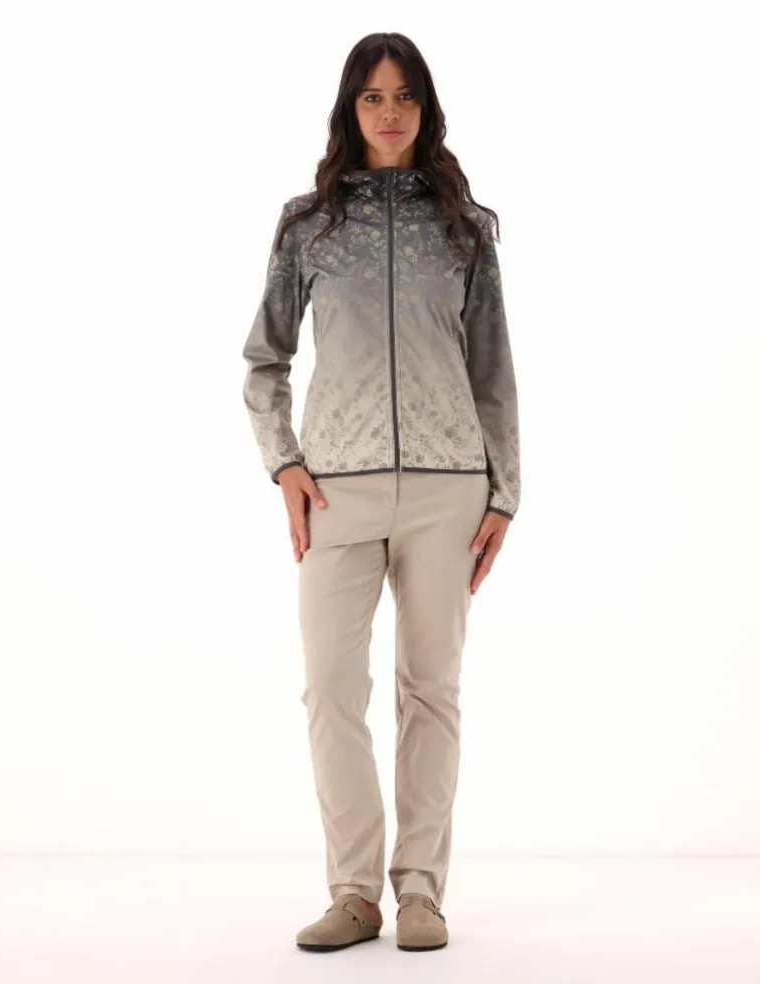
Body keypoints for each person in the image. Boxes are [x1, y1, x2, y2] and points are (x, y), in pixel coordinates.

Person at [241, 31, 520, 953]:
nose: (390, 112)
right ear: (350, 108)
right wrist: (285, 462)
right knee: (330, 689)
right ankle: (354, 893)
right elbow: (265, 360)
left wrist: (503, 494)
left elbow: (493, 373)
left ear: (425, 107)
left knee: (430, 691)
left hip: (449, 490)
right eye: (373, 96)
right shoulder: (308, 226)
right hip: (338, 492)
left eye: (404, 96)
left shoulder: (464, 227)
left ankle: (421, 894)